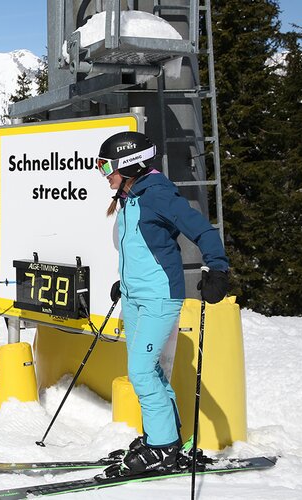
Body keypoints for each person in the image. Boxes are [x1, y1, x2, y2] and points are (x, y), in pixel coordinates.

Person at [96, 131, 230, 475]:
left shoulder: (157, 195)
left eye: (105, 166)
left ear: (129, 165)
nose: (103, 173)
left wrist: (217, 267)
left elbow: (202, 229)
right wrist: (124, 282)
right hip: (136, 295)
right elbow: (141, 248)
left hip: (159, 297)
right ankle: (164, 438)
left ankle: (162, 448)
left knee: (140, 373)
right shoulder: (130, 196)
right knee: (150, 371)